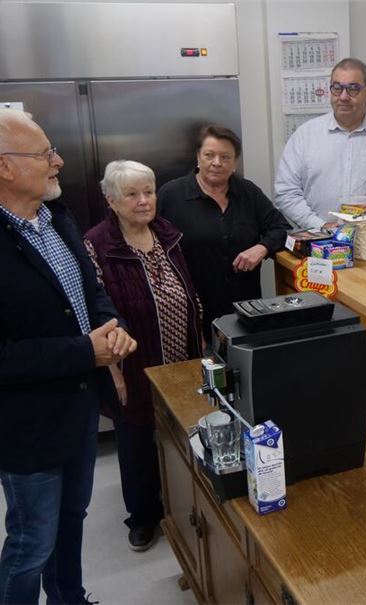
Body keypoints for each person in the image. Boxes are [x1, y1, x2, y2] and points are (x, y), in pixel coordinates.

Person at [0, 108, 137, 604]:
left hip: (78, 410)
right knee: (31, 543)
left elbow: (91, 294)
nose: (58, 161)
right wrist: (84, 351)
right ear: (4, 167)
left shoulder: (56, 217)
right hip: (25, 428)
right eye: (44, 154)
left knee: (71, 523)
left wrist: (115, 329)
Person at [84, 161, 204, 552]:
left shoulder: (166, 233)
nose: (143, 201)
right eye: (132, 194)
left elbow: (188, 288)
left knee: (182, 432)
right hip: (131, 361)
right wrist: (113, 369)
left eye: (149, 191)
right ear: (112, 201)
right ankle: (142, 517)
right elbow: (94, 309)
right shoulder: (97, 244)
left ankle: (182, 504)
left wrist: (199, 334)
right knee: (136, 438)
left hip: (180, 354)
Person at [159, 125, 290, 331]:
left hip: (245, 308)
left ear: (235, 162)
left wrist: (261, 248)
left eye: (225, 157)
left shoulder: (248, 192)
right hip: (192, 309)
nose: (216, 163)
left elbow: (281, 228)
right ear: (198, 157)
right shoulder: (171, 195)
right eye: (209, 155)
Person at [275, 57, 366, 230]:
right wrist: (321, 226)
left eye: (353, 89)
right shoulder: (305, 135)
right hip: (318, 242)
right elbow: (286, 193)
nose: (343, 97)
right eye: (337, 88)